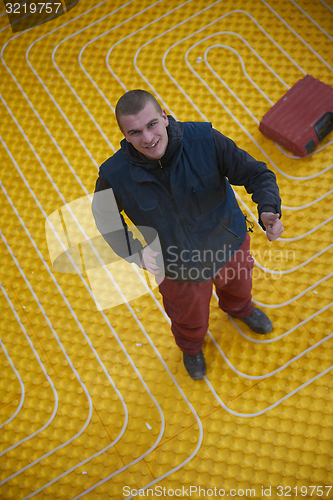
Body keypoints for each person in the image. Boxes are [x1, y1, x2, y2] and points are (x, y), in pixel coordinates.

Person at [92, 89, 284, 380]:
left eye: (152, 124)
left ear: (165, 117)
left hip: (228, 244)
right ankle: (191, 347)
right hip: (175, 267)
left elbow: (256, 174)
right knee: (187, 316)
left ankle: (240, 308)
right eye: (135, 132)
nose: (147, 138)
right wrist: (137, 253)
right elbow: (105, 218)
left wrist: (268, 208)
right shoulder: (114, 174)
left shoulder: (205, 140)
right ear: (124, 135)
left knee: (239, 287)